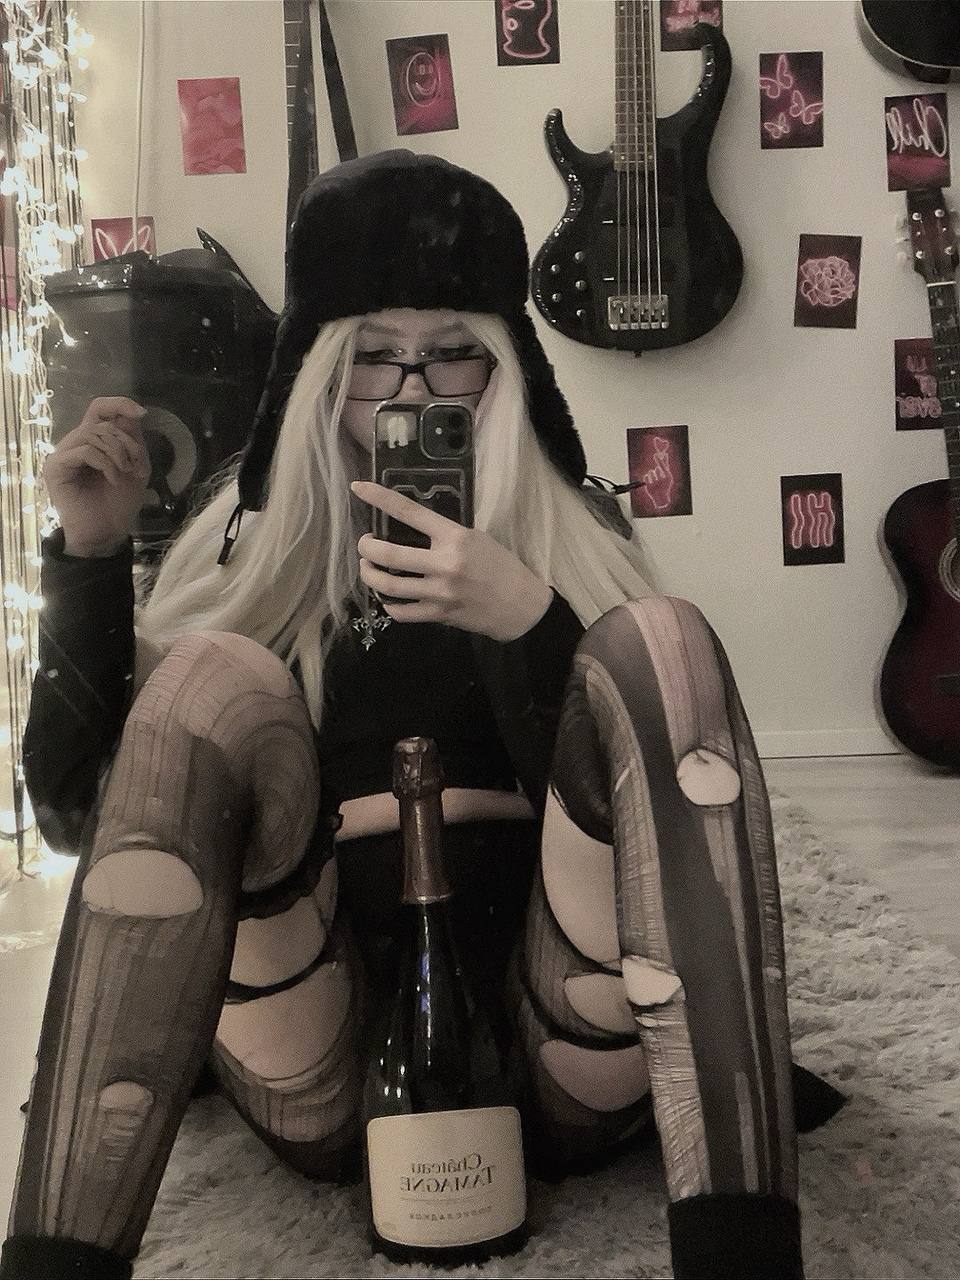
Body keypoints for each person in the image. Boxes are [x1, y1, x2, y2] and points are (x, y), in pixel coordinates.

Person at [0, 150, 842, 1280]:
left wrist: (526, 621)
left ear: (505, 367)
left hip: (561, 1031)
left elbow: (653, 822)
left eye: (452, 353)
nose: (410, 391)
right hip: (321, 1041)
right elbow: (77, 820)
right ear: (317, 370)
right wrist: (91, 556)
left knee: (661, 639)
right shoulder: (245, 556)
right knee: (212, 672)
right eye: (372, 355)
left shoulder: (575, 545)